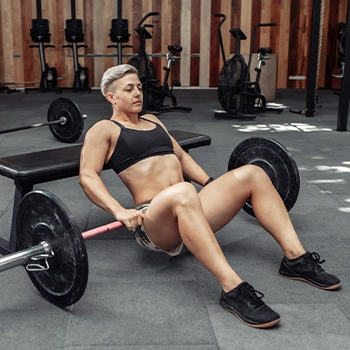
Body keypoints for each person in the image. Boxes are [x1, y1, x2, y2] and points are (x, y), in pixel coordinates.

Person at [79, 64, 341, 329]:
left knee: (252, 173)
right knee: (183, 191)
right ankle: (233, 289)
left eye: (138, 87)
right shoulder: (104, 129)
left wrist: (211, 183)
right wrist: (118, 210)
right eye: (129, 89)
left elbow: (180, 157)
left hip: (189, 206)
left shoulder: (153, 121)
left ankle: (295, 259)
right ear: (111, 96)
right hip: (153, 222)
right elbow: (87, 176)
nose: (138, 93)